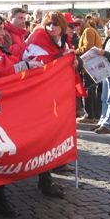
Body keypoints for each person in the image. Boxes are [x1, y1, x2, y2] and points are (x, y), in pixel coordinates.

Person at [24, 11, 73, 198]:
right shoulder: (38, 38)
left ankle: (47, 177)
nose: (51, 28)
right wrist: (61, 60)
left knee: (50, 137)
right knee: (42, 139)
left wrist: (72, 60)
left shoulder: (62, 41)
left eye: (55, 25)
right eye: (48, 25)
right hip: (39, 96)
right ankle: (44, 180)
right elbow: (37, 64)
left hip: (54, 95)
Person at [75, 17, 104, 124]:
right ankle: (92, 115)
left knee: (89, 89)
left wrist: (74, 50)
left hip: (90, 66)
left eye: (76, 27)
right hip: (89, 66)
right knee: (89, 89)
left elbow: (87, 47)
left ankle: (90, 115)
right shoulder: (87, 30)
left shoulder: (88, 31)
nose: (74, 30)